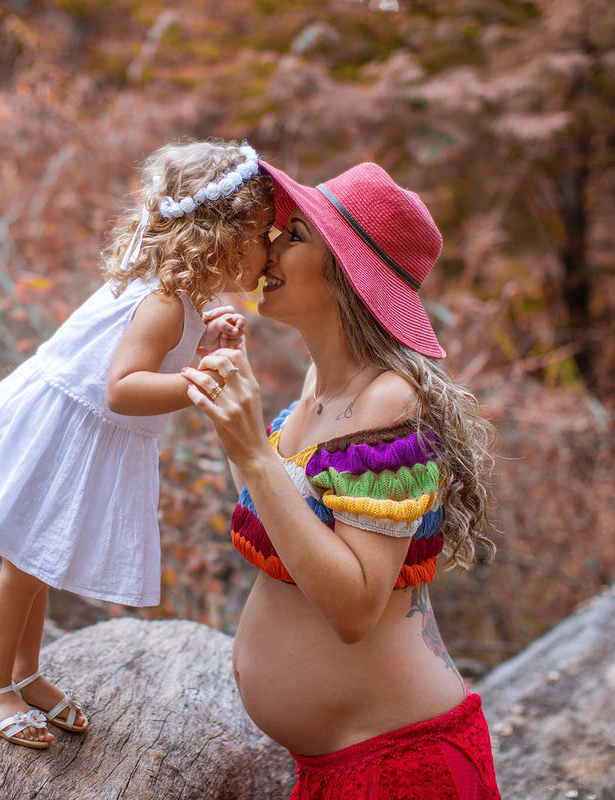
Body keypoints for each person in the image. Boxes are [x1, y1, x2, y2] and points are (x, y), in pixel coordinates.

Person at [0, 140, 274, 748]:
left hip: (72, 431)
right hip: (63, 435)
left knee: (36, 566)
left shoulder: (178, 293)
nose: (269, 251)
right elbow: (122, 388)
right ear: (224, 236)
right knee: (20, 570)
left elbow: (139, 362)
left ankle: (24, 673)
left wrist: (202, 343)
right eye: (262, 235)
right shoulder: (164, 303)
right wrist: (195, 383)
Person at [182, 160, 501, 797]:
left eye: (293, 235)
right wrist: (232, 406)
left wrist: (251, 452)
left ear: (349, 276)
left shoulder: (389, 401)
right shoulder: (314, 390)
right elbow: (288, 523)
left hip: (399, 769)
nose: (268, 246)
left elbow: (355, 607)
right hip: (335, 768)